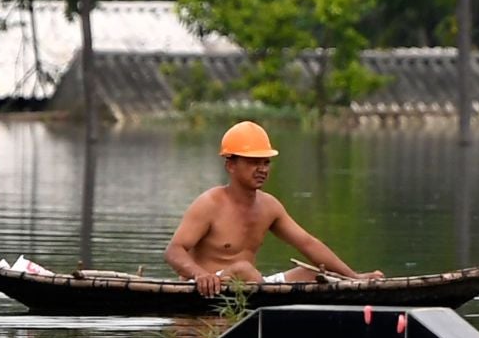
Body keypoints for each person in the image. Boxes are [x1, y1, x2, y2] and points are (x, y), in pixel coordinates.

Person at [164, 120, 383, 297]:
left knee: (313, 274)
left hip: (254, 286)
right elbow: (174, 251)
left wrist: (353, 277)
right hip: (207, 285)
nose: (261, 169)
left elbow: (307, 243)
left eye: (265, 162)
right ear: (231, 165)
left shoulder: (269, 206)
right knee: (243, 269)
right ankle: (266, 307)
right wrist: (201, 275)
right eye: (253, 162)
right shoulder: (210, 203)